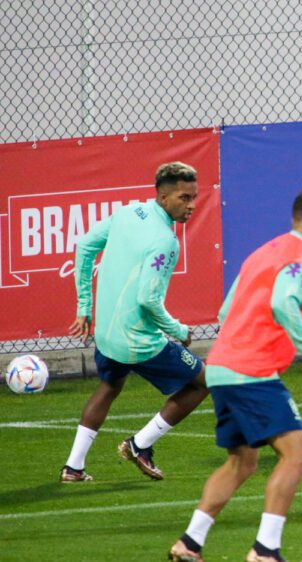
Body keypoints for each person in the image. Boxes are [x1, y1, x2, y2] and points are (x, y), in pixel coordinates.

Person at [168, 188, 302, 562]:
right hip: (251, 371)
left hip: (222, 367)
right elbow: (283, 304)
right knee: (297, 456)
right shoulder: (300, 260)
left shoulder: (263, 253)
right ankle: (266, 549)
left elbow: (226, 311)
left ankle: (190, 543)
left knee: (241, 462)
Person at [60, 162, 208, 483]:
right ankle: (140, 445)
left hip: (106, 335)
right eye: (184, 198)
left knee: (110, 386)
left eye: (194, 197)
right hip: (137, 341)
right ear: (164, 196)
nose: (192, 205)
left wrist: (84, 307)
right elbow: (148, 300)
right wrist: (179, 331)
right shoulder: (166, 242)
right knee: (203, 382)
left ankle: (74, 467)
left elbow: (84, 246)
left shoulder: (128, 213)